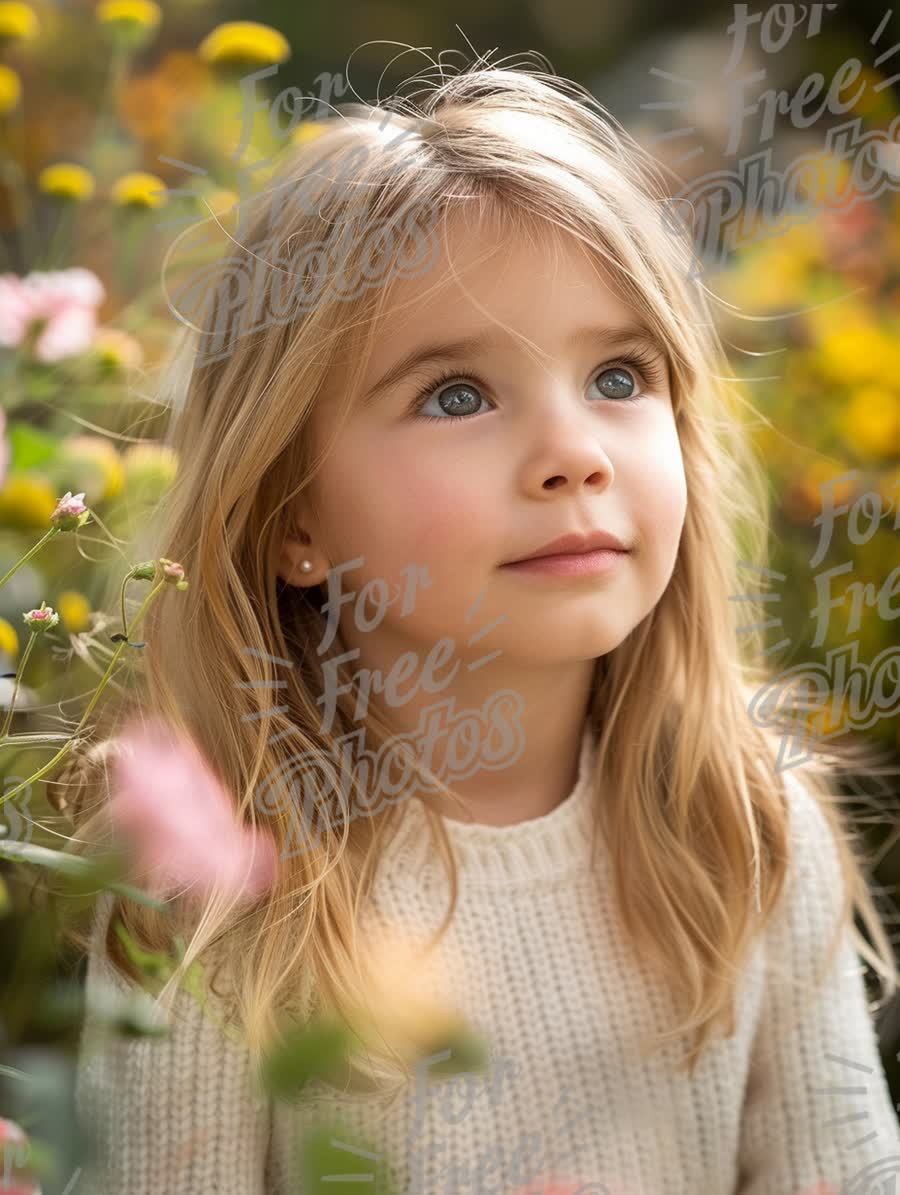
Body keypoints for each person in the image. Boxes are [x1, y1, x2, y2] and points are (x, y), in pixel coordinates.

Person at [66, 60, 900, 1194]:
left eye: (619, 373)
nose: (575, 452)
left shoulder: (749, 828)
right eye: (456, 394)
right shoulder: (213, 894)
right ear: (290, 515)